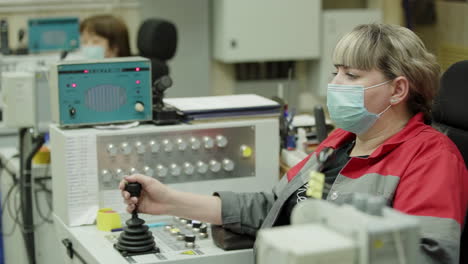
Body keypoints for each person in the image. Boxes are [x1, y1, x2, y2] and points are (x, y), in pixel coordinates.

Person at [120, 24, 468, 263]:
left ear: (397, 90)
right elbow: (271, 206)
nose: (335, 82)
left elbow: (426, 255)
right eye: (337, 71)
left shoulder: (431, 157)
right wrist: (167, 202)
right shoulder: (340, 142)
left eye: (352, 75)